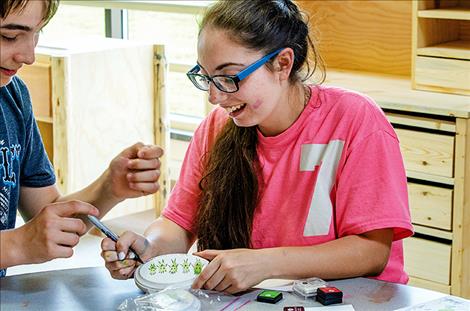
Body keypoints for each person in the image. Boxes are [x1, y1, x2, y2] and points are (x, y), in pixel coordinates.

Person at [101, 0, 413, 293]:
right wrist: (149, 249)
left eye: (229, 76)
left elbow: (372, 251)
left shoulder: (355, 120)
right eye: (206, 77)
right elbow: (178, 224)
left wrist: (265, 263)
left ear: (283, 63)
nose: (215, 96)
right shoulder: (215, 129)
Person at [0, 0, 163, 276]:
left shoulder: (13, 97)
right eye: (9, 36)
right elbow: (24, 241)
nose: (29, 56)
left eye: (37, 33)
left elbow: (47, 213)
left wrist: (109, 187)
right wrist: (16, 245)